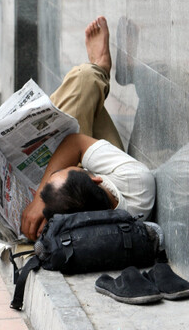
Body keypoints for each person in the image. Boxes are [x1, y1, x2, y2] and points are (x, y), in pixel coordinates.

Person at [21, 16, 156, 241]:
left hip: (76, 196)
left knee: (81, 103)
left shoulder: (75, 217)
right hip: (116, 173)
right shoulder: (137, 183)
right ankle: (98, 69)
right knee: (83, 80)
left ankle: (97, 74)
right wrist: (38, 199)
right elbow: (74, 143)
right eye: (69, 167)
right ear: (95, 177)